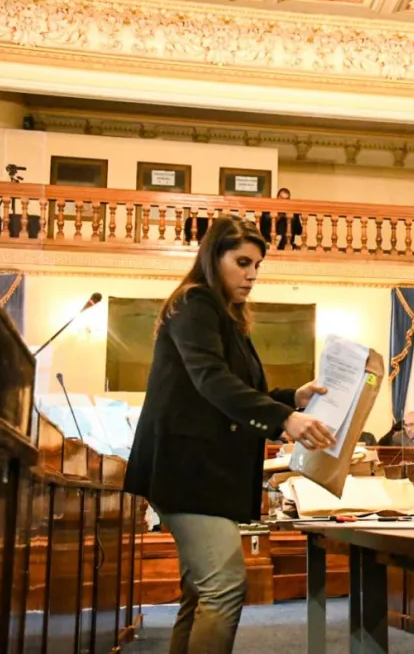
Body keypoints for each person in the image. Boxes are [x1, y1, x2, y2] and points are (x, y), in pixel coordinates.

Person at [124, 216, 336, 654]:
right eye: (242, 262)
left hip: (200, 473)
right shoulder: (196, 302)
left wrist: (291, 397)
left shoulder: (225, 315)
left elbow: (244, 390)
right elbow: (212, 381)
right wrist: (284, 419)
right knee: (224, 587)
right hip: (185, 471)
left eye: (257, 265)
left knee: (202, 595)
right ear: (212, 256)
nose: (252, 275)